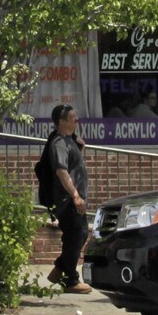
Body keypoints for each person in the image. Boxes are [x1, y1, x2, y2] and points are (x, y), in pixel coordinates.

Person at [38, 104, 93, 294]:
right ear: (61, 122)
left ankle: (61, 269)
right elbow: (62, 172)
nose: (76, 120)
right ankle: (70, 280)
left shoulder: (69, 140)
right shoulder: (59, 142)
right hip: (66, 200)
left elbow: (71, 165)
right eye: (72, 117)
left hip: (72, 199)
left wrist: (80, 149)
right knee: (76, 234)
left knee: (79, 234)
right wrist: (75, 195)